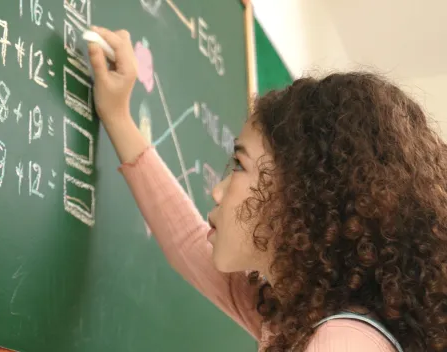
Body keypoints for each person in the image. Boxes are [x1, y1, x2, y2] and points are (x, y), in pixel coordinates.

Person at [86, 26, 447, 351]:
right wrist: (118, 116)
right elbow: (187, 241)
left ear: (300, 196)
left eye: (240, 165)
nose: (217, 191)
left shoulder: (341, 344)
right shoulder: (293, 322)